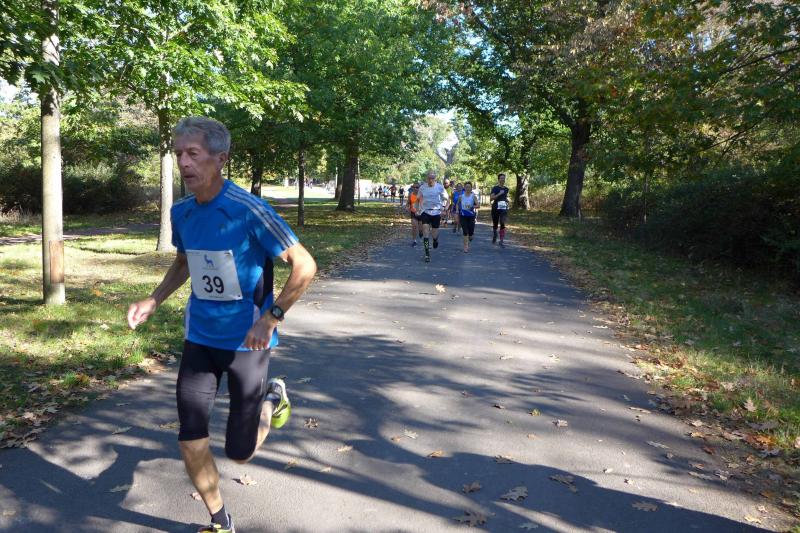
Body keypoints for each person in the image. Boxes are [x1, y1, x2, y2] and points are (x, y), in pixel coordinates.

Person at [126, 117, 317, 533]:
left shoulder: (249, 210)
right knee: (189, 435)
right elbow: (184, 263)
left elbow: (305, 265)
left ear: (221, 158)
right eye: (179, 154)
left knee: (240, 452)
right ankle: (220, 521)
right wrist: (154, 299)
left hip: (247, 342)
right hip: (200, 337)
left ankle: (272, 397)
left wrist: (272, 317)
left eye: (193, 154)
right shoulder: (181, 212)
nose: (184, 163)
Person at [415, 170, 449, 262]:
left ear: (435, 178)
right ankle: (427, 254)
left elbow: (448, 200)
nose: (430, 180)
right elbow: (417, 199)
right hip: (425, 212)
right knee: (425, 232)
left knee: (434, 234)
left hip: (436, 212)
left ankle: (435, 240)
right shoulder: (422, 187)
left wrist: (445, 209)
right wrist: (417, 209)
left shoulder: (440, 187)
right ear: (427, 178)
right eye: (429, 178)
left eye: (432, 178)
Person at [457, 181, 479, 252]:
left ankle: (471, 236)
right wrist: (457, 210)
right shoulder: (461, 196)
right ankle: (465, 247)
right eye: (466, 187)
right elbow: (457, 204)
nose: (468, 188)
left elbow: (478, 205)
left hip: (471, 216)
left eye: (469, 187)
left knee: (471, 234)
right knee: (465, 231)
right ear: (464, 188)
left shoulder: (473, 196)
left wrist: (473, 206)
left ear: (471, 188)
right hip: (463, 215)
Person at [490, 173, 511, 246]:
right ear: (498, 179)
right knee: (495, 223)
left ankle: (501, 240)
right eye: (501, 178)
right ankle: (495, 234)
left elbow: (505, 197)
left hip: (503, 208)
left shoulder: (506, 189)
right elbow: (491, 198)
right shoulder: (495, 188)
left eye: (504, 178)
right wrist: (499, 193)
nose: (503, 179)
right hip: (495, 207)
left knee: (502, 222)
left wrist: (507, 201)